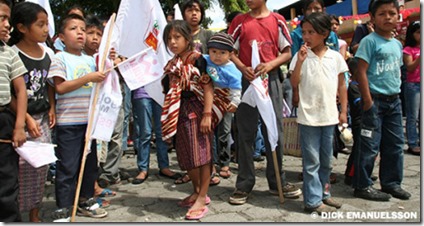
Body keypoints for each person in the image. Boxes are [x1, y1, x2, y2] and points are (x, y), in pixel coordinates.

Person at [227, 0, 302, 205]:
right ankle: (243, 184)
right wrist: (243, 68)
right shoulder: (239, 21)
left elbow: (286, 52)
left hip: (272, 81)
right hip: (246, 81)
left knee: (274, 131)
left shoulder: (277, 20)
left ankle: (277, 181)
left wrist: (269, 65)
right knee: (245, 133)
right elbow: (229, 50)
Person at [161, 20, 226, 220]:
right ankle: (197, 191)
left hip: (196, 110)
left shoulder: (198, 60)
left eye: (177, 37)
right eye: (169, 39)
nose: (172, 42)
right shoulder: (172, 64)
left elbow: (208, 88)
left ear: (188, 38)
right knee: (186, 154)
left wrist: (207, 115)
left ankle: (203, 195)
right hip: (179, 112)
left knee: (201, 154)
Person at [48, 14, 109, 222]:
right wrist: (88, 78)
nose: (81, 33)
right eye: (74, 29)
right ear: (62, 37)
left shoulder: (91, 60)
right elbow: (61, 87)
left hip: (90, 123)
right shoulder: (59, 58)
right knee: (68, 166)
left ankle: (86, 200)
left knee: (90, 164)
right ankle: (63, 207)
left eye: (83, 29)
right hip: (68, 123)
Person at [352, 0, 411, 202]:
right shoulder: (370, 41)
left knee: (394, 144)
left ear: (398, 16)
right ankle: (362, 185)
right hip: (374, 101)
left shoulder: (396, 44)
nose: (387, 17)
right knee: (369, 145)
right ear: (372, 18)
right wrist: (367, 101)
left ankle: (391, 183)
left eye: (392, 13)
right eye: (382, 14)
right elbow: (360, 71)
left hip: (394, 101)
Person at [290, 12, 348, 214]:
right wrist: (299, 61)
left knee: (326, 160)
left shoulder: (335, 57)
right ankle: (313, 201)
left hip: (329, 116)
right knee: (311, 161)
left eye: (311, 32)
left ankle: (324, 194)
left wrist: (343, 111)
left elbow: (342, 86)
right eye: (304, 32)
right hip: (308, 117)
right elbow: (294, 82)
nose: (306, 36)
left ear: (324, 33)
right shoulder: (301, 56)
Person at [8, 2, 55, 222]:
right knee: (19, 170)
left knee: (40, 168)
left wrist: (52, 107)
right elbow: (10, 94)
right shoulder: (11, 54)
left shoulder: (47, 52)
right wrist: (25, 118)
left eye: (47, 24)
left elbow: (49, 84)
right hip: (19, 120)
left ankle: (35, 213)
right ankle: (14, 213)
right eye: (40, 24)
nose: (46, 29)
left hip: (43, 119)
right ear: (22, 28)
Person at [178, 0, 220, 186]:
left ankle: (211, 169)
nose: (194, 13)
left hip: (205, 90)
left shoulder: (209, 35)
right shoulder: (177, 36)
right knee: (187, 138)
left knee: (206, 134)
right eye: (190, 10)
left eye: (197, 10)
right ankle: (193, 172)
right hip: (182, 95)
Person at [0, 0, 28, 222]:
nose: (7, 24)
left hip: (4, 122)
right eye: (2, 18)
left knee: (7, 180)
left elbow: (20, 91)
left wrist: (19, 125)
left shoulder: (9, 53)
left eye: (8, 19)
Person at [203, 32, 242, 179]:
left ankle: (225, 163)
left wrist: (235, 102)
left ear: (231, 54)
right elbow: (193, 57)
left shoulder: (233, 70)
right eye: (214, 52)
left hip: (226, 102)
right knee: (209, 132)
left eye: (222, 52)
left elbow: (236, 89)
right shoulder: (205, 60)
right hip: (208, 101)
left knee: (224, 132)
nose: (217, 56)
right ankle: (210, 162)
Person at [403, 21, 420, 156]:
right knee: (412, 116)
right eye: (418, 32)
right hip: (413, 85)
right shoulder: (408, 50)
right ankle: (413, 143)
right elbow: (410, 67)